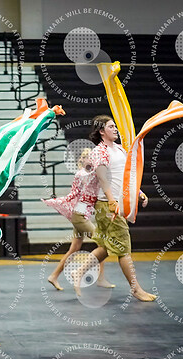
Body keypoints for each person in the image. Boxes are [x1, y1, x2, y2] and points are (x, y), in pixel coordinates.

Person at [72, 116, 155, 301]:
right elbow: (103, 178)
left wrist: (138, 192)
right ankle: (136, 289)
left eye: (115, 126)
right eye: (111, 126)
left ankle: (78, 272)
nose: (116, 129)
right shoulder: (99, 152)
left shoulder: (119, 149)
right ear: (102, 131)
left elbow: (125, 175)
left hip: (115, 204)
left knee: (106, 245)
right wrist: (111, 202)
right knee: (123, 248)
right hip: (108, 206)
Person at [43, 148, 113, 291]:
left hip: (80, 215)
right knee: (104, 244)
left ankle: (54, 276)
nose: (93, 161)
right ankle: (90, 275)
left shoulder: (86, 173)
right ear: (83, 160)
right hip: (80, 217)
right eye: (89, 158)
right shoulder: (83, 174)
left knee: (74, 249)